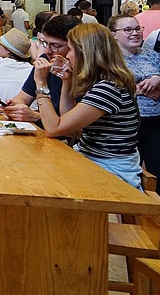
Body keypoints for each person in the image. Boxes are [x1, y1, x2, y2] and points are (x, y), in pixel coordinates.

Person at [33, 23, 142, 188]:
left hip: (110, 169)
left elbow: (53, 129)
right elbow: (69, 126)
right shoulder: (102, 83)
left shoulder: (108, 88)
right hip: (92, 159)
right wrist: (67, 82)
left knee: (42, 183)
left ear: (85, 53)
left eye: (70, 49)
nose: (67, 55)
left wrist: (41, 84)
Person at [109, 14, 160, 191]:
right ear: (113, 35)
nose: (135, 33)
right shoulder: (109, 59)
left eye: (137, 29)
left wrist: (157, 79)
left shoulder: (151, 55)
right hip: (126, 123)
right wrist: (143, 90)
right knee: (128, 177)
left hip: (157, 120)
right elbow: (110, 90)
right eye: (128, 30)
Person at [3, 14, 81, 122]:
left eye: (55, 46)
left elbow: (70, 125)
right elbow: (23, 97)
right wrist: (15, 107)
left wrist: (36, 116)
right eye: (45, 44)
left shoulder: (86, 74)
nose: (47, 51)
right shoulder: (46, 60)